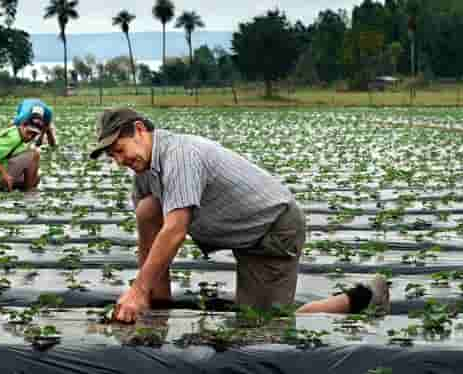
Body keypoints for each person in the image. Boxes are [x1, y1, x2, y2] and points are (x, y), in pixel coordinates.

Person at [89, 108, 390, 323]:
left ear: (140, 130)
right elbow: (149, 225)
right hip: (243, 234)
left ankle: (364, 298)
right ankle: (158, 300)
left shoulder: (179, 155)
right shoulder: (144, 170)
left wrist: (138, 290)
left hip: (273, 230)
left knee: (263, 327)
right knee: (148, 207)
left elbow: (175, 230)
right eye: (112, 156)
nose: (119, 161)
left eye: (119, 149)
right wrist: (153, 302)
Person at [0, 99, 54, 191]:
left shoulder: (47, 115)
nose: (30, 137)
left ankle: (24, 187)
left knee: (35, 179)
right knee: (34, 154)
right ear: (23, 125)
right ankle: (28, 192)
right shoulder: (13, 135)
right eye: (29, 132)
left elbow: (46, 129)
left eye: (34, 135)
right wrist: (4, 174)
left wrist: (41, 139)